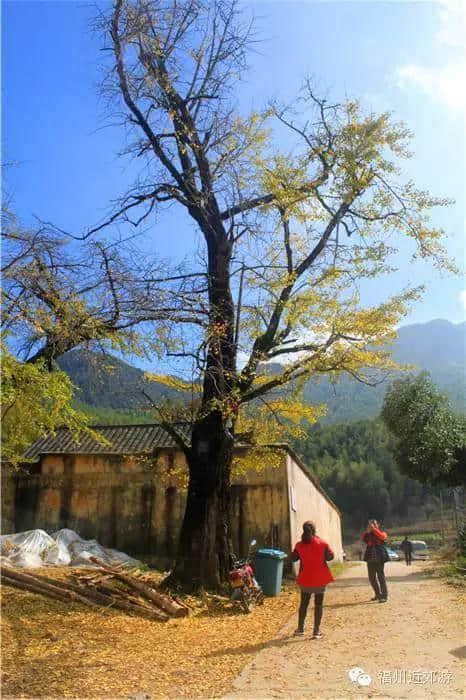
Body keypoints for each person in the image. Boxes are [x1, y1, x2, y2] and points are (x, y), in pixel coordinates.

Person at [291, 520, 334, 639]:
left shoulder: (299, 545)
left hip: (305, 579)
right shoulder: (323, 543)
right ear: (314, 531)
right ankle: (316, 631)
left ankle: (300, 629)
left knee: (304, 604)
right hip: (320, 579)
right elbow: (330, 557)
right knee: (318, 605)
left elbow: (293, 558)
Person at [362, 519, 389, 602]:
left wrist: (374, 529)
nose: (372, 526)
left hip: (379, 559)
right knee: (371, 578)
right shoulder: (368, 535)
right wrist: (368, 531)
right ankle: (378, 594)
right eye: (370, 524)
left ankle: (384, 596)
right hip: (370, 560)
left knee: (381, 577)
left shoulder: (383, 533)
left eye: (374, 524)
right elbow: (363, 538)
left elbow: (382, 537)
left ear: (378, 525)